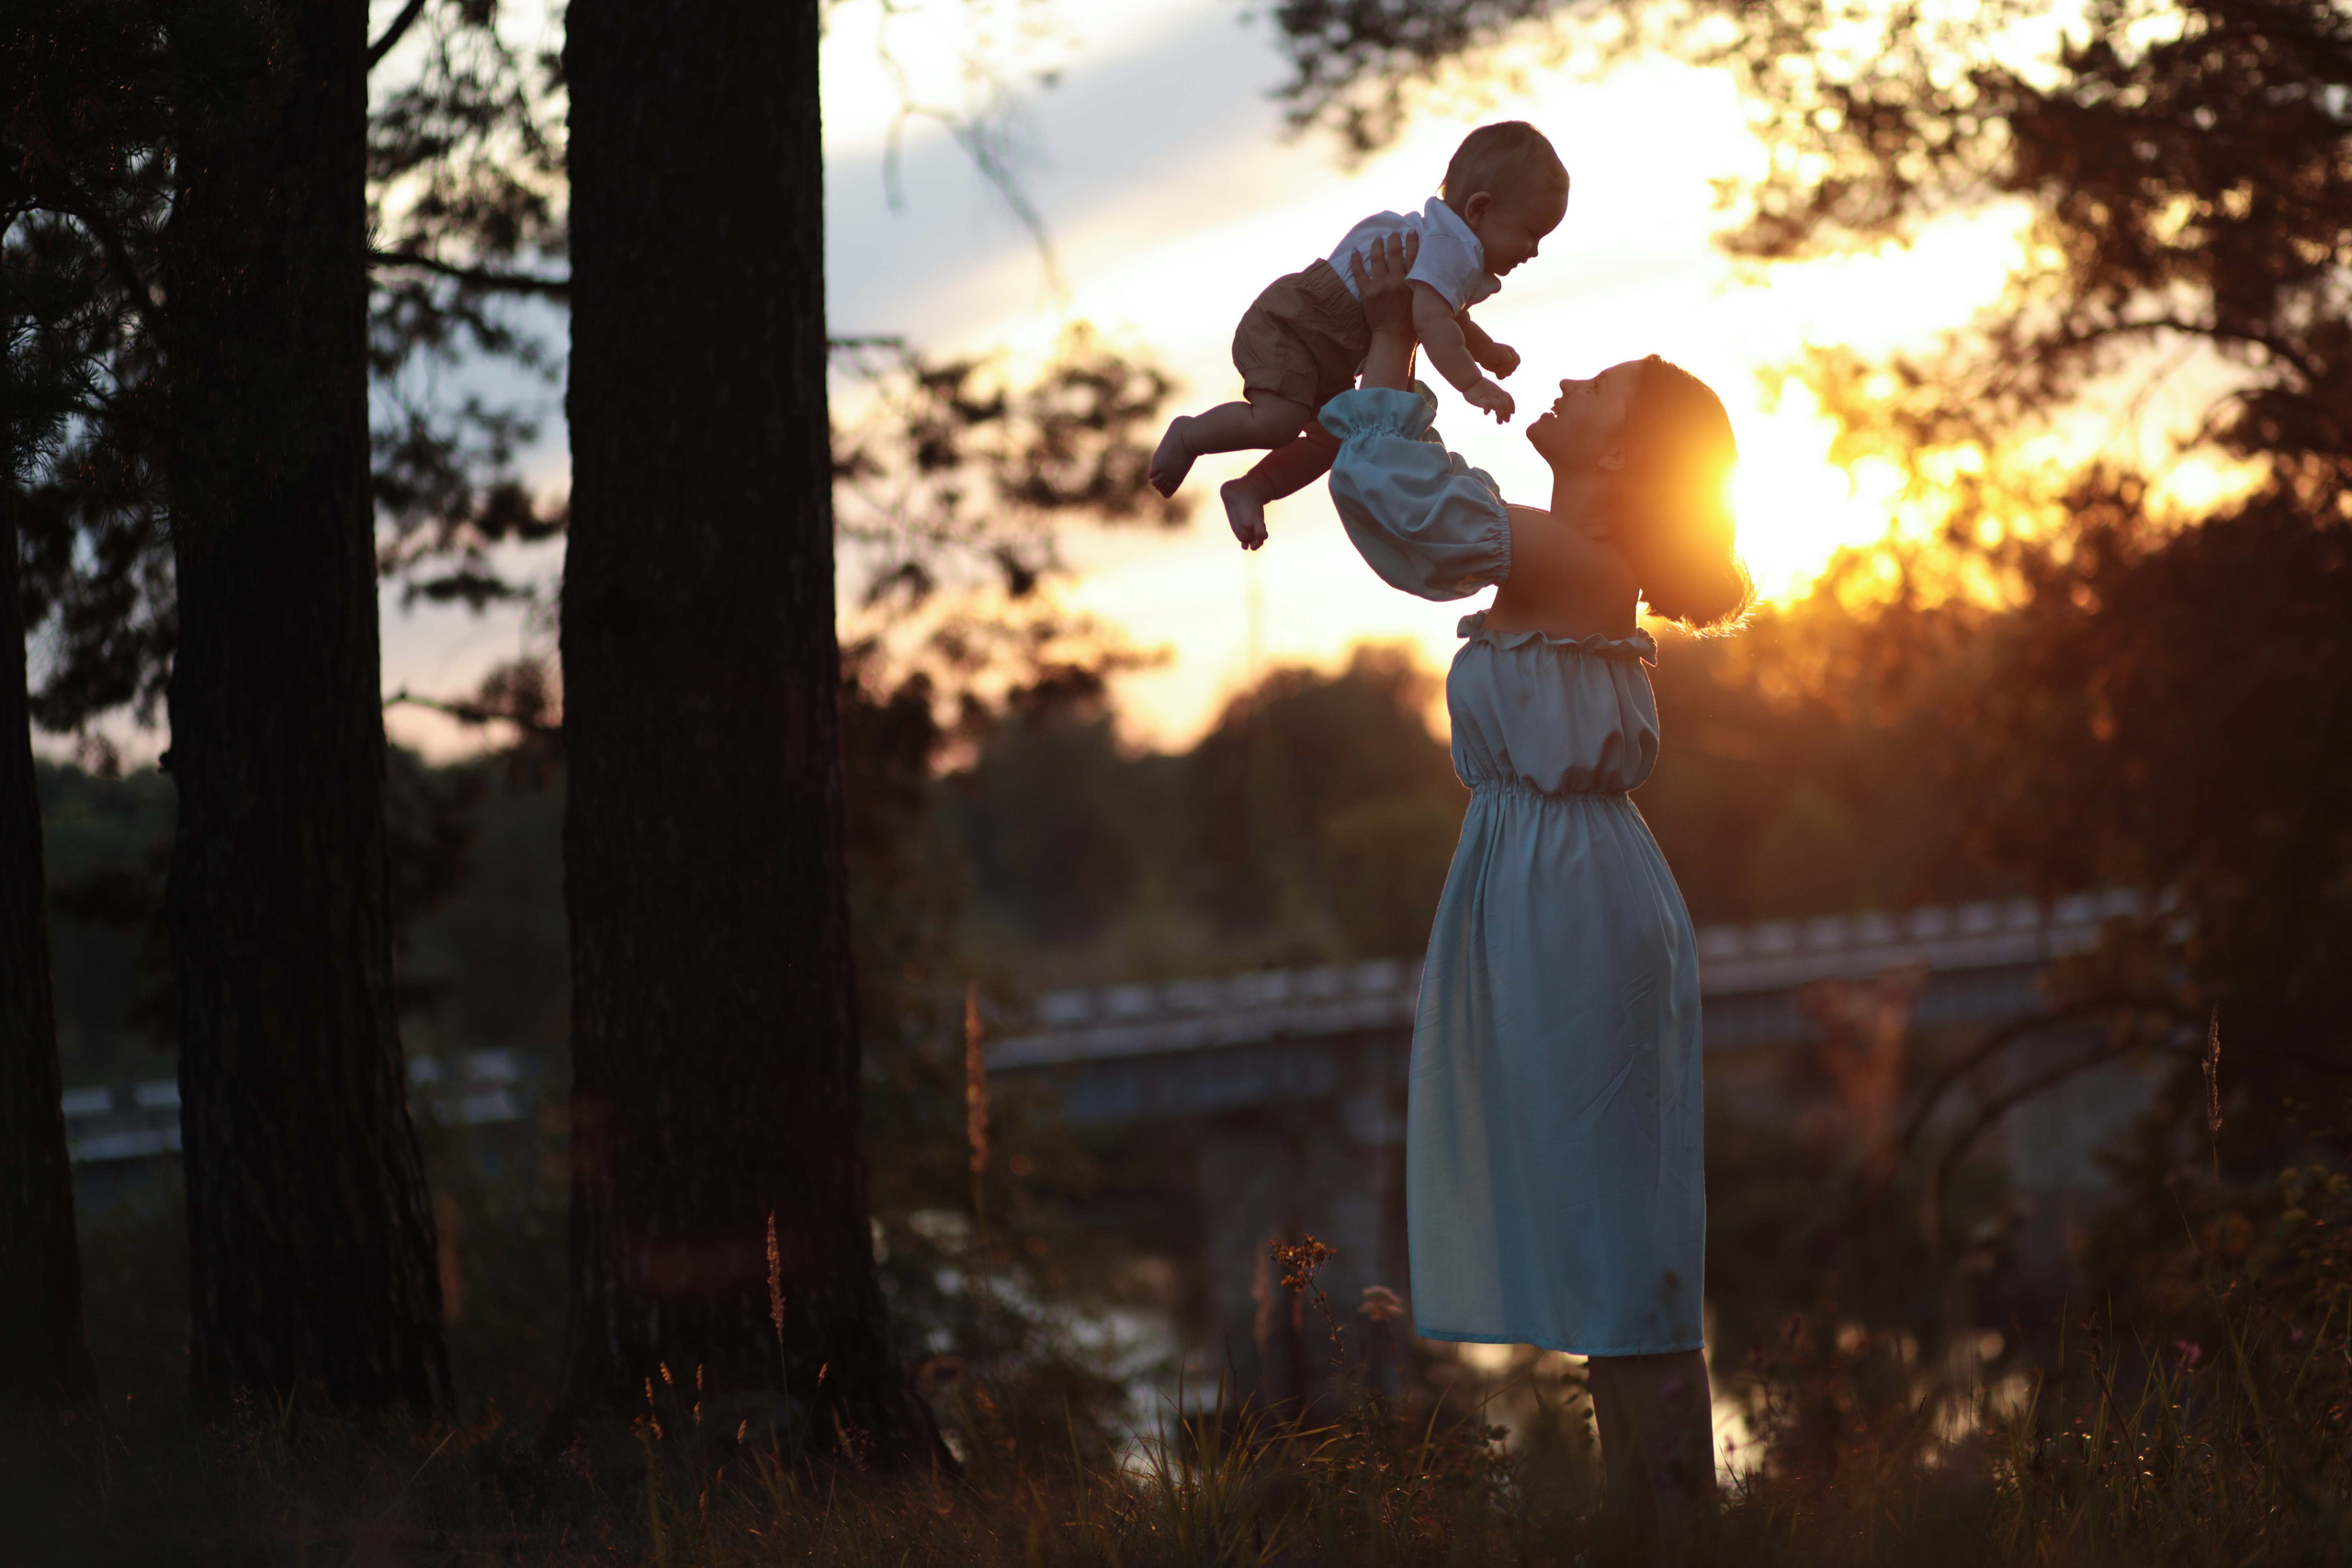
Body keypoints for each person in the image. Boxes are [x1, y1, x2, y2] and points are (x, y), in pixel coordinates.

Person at [1328, 232, 1750, 1557]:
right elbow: (1405, 502)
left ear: (1624, 459)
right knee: (1600, 1230)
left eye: (1603, 388)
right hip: (1540, 887)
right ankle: (1648, 1524)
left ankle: (1679, 1526)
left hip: (1575, 900)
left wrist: (1394, 330)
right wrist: (1392, 335)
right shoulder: (1560, 549)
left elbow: (1407, 507)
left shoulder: (1573, 557)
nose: (1571, 381)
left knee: (1624, 1241)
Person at [1148, 121, 1569, 550]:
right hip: (1298, 325)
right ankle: (1189, 436)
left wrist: (1486, 350)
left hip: (1333, 351)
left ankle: (1253, 488)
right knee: (1278, 423)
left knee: (1334, 439)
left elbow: (1446, 315)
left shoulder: (1449, 247)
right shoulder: (1452, 246)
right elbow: (1433, 322)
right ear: (1479, 210)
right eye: (1530, 233)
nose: (1534, 251)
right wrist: (1473, 383)